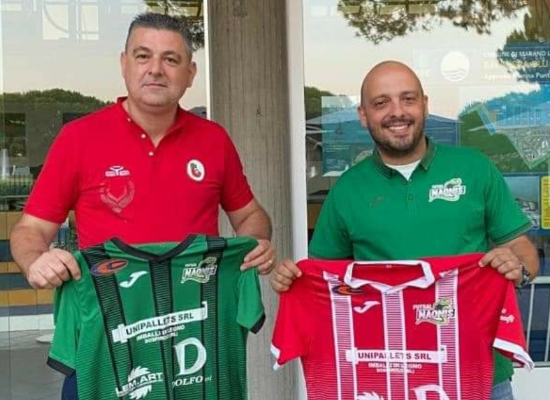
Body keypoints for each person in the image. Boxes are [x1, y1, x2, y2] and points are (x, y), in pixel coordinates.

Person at [10, 12, 275, 399]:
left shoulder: (213, 140)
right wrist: (36, 260)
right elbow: (30, 229)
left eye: (171, 59)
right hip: (107, 339)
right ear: (124, 64)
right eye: (143, 56)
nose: (155, 69)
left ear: (190, 73)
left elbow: (250, 215)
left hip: (193, 338)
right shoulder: (79, 139)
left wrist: (254, 244)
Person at [271, 60, 539, 400]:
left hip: (478, 374)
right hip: (383, 377)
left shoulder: (475, 169)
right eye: (381, 103)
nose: (397, 112)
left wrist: (516, 268)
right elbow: (325, 283)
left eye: (408, 99)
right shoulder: (347, 189)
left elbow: (524, 253)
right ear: (363, 115)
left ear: (424, 104)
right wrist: (293, 280)